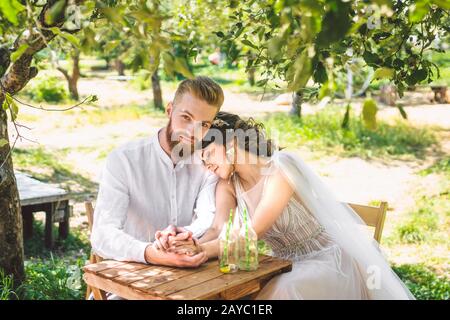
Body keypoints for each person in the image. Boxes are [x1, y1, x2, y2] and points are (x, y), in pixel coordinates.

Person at [165, 111, 415, 300]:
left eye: (208, 154)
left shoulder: (281, 169)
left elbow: (253, 232)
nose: (205, 164)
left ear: (230, 144)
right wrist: (191, 243)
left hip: (328, 258)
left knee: (283, 290)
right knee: (237, 290)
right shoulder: (227, 185)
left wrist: (203, 251)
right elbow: (218, 228)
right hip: (282, 263)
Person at [90, 76, 224, 269]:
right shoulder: (124, 160)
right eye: (186, 118)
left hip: (191, 271)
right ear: (169, 110)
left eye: (203, 124)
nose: (192, 131)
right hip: (131, 275)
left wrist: (183, 236)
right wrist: (151, 253)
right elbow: (103, 235)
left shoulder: (207, 164)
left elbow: (208, 218)